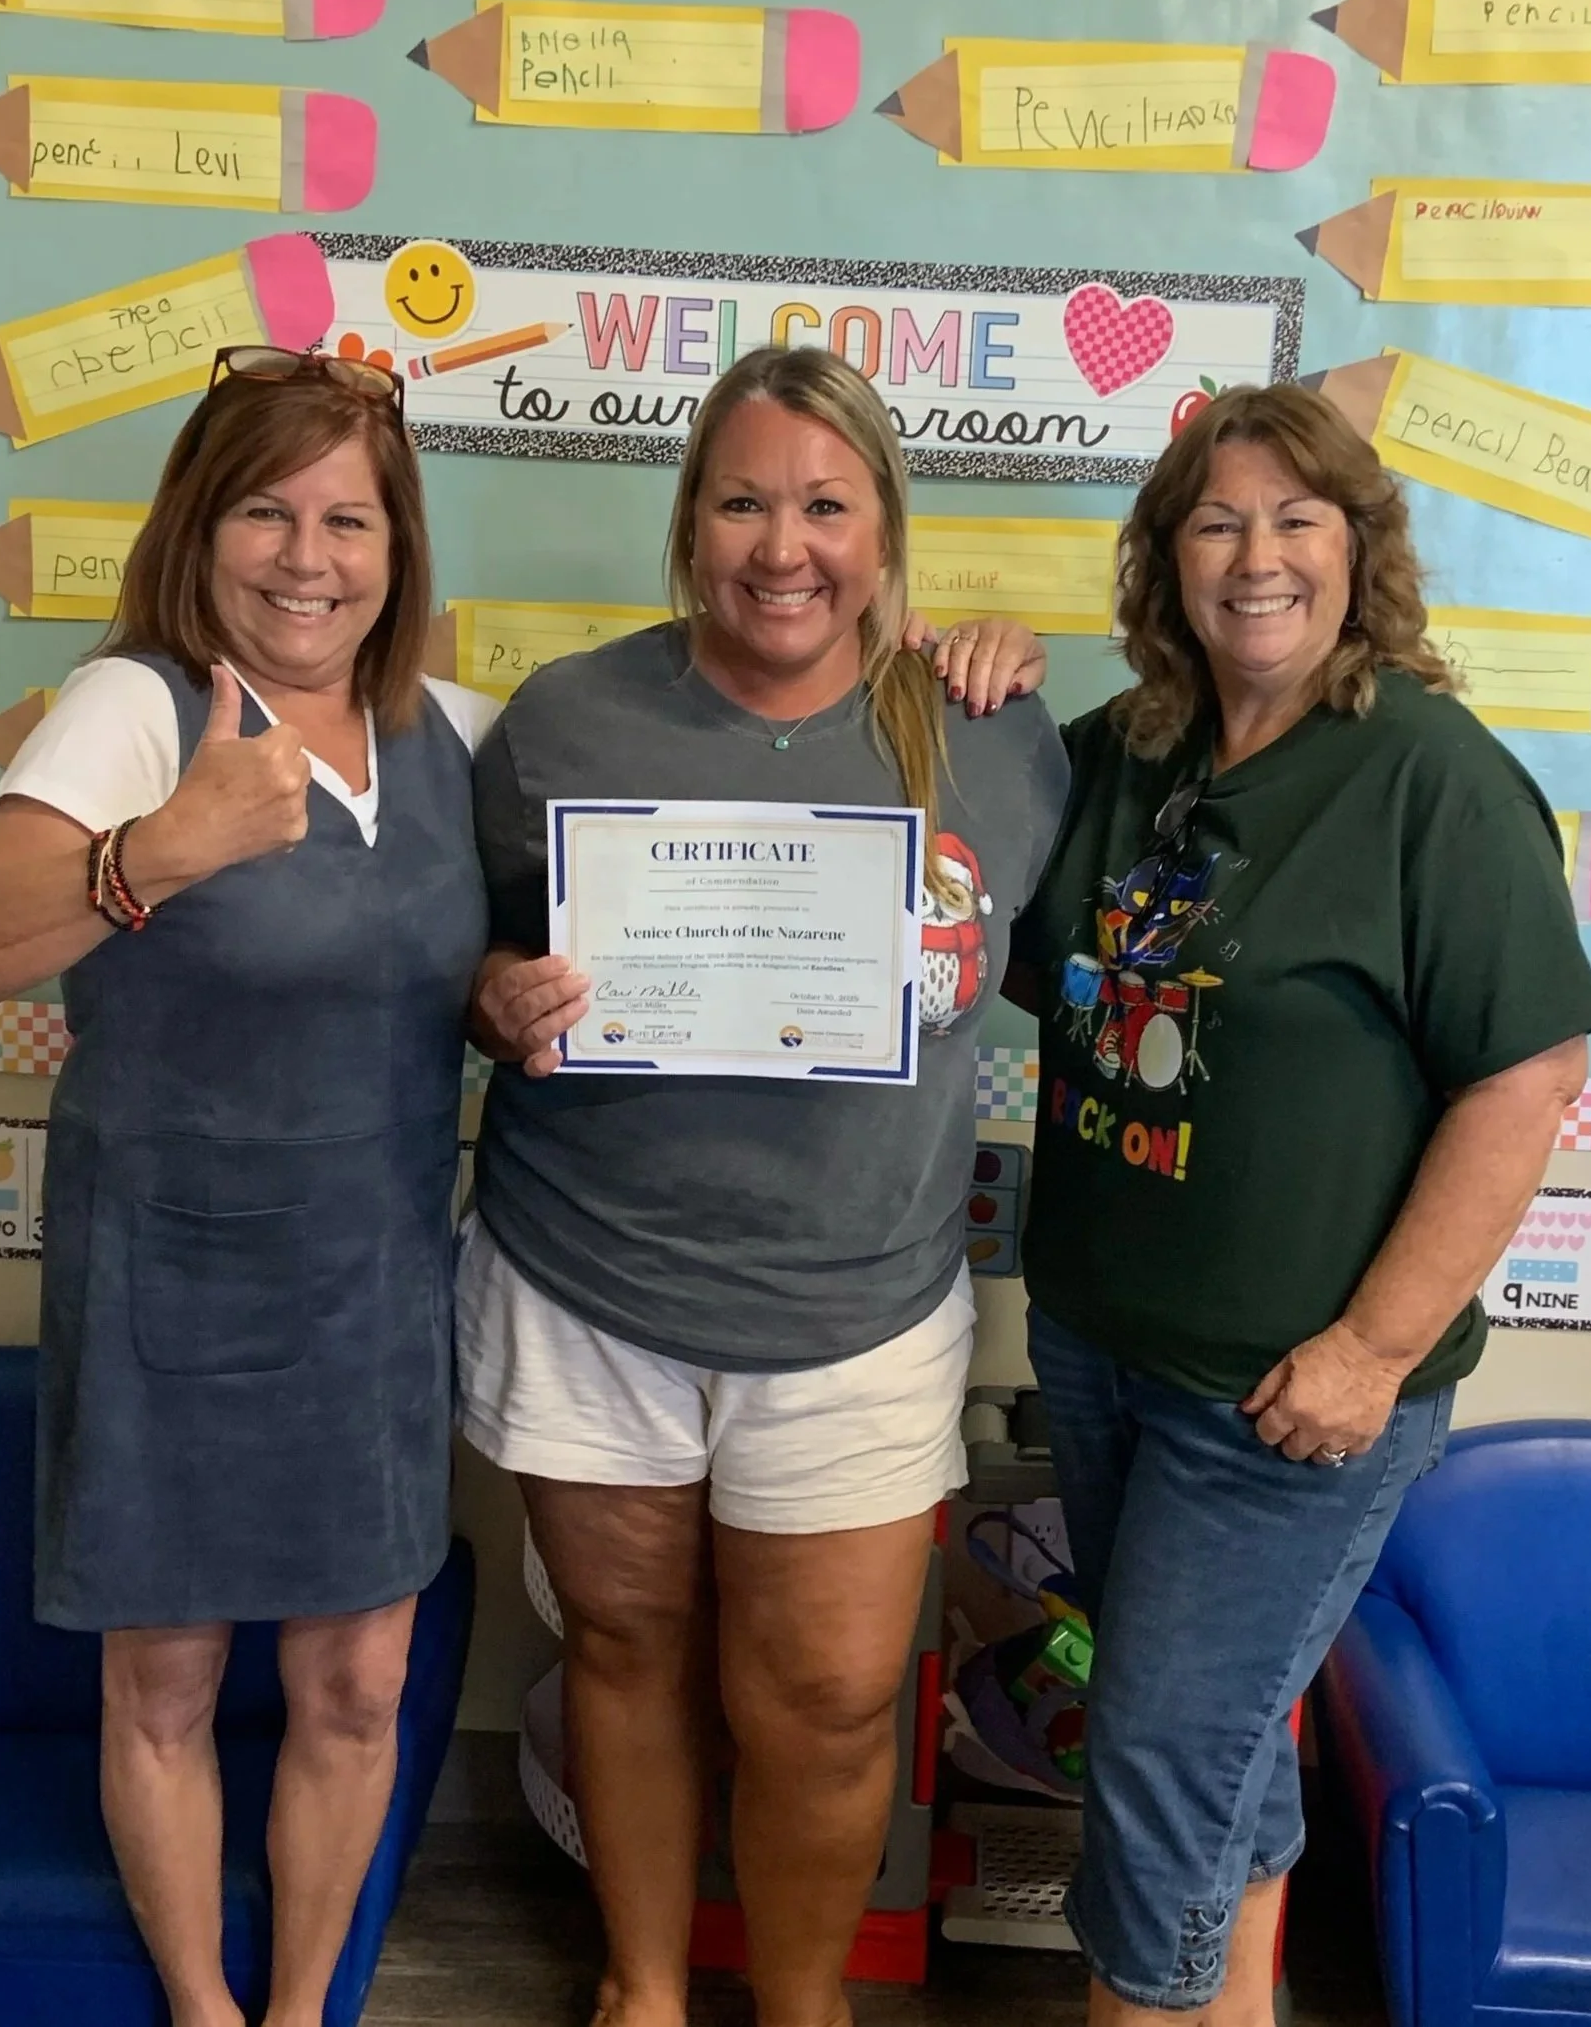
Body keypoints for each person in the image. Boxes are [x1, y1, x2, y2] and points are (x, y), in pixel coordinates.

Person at [463, 344, 1070, 2027]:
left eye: (823, 503)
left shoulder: (991, 736)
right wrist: (493, 999)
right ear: (687, 523)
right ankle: (642, 1985)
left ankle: (801, 2010)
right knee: (623, 1652)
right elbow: (472, 954)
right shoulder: (565, 719)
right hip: (590, 1283)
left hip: (856, 1307)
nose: (779, 543)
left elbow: (1085, 974)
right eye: (741, 500)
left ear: (883, 533)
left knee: (821, 1698)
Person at [1006, 383, 1591, 2027]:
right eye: (1214, 520)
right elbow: (963, 883)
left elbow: (1523, 1079)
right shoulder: (1126, 754)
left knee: (1156, 1750)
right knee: (1206, 1747)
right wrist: (964, 682)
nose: (1254, 556)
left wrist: (1369, 1344)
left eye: (1294, 519)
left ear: (1357, 549)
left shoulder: (1427, 774)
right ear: (1163, 559)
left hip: (1290, 1395)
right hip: (1101, 1346)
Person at [0, 347, 495, 2027]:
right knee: (165, 1679)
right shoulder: (136, 710)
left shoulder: (450, 735)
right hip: (168, 1277)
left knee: (359, 1679)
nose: (306, 558)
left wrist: (508, 989)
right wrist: (161, 847)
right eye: (264, 509)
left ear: (397, 547)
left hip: (372, 1289)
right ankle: (200, 2006)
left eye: (347, 518)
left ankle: (298, 2006)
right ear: (198, 525)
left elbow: (465, 949)